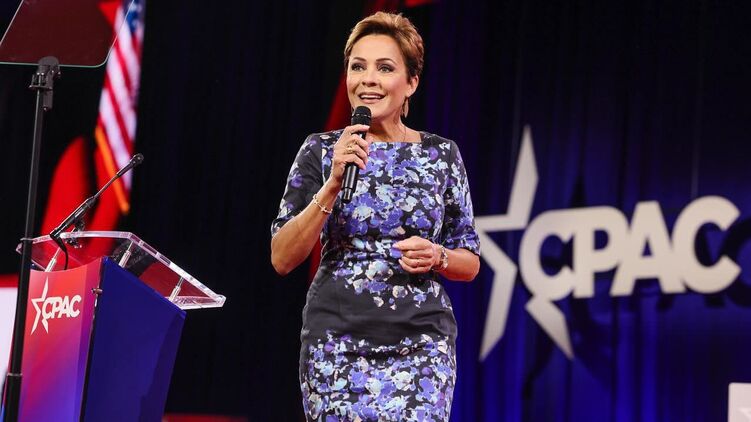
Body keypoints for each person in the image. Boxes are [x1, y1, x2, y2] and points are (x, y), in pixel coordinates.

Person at [271, 11, 480, 421]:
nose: (368, 79)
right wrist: (332, 184)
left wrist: (438, 256)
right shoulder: (321, 150)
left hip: (421, 345)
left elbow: (469, 261)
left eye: (385, 68)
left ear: (411, 83)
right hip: (337, 343)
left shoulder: (442, 155)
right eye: (357, 67)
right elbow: (282, 257)